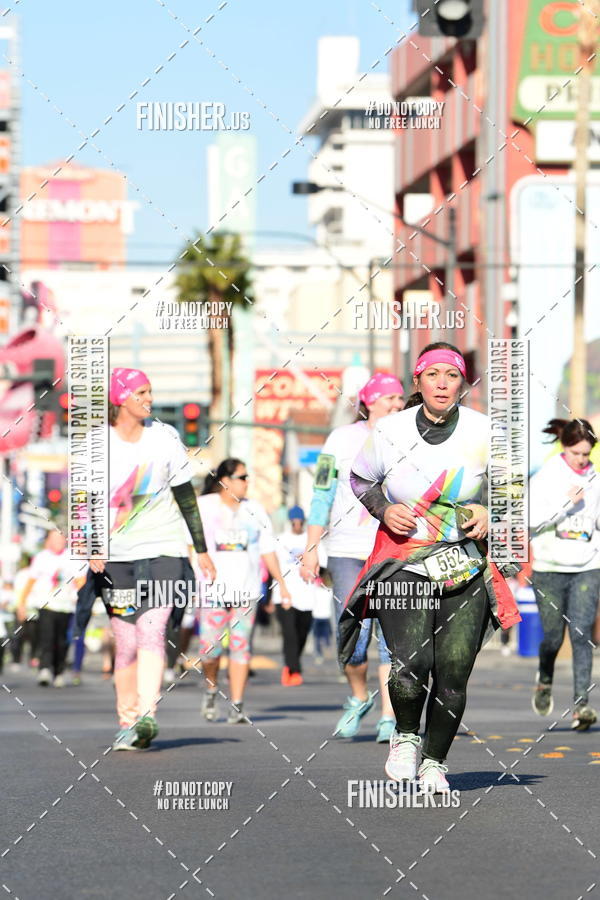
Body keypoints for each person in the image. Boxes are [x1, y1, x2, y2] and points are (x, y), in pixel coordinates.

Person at [341, 343, 520, 791]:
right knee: (412, 660)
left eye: (452, 375)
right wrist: (384, 509)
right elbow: (360, 478)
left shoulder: (486, 431)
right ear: (417, 381)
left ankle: (435, 762)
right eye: (433, 375)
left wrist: (489, 512)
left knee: (454, 671)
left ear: (463, 384)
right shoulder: (390, 431)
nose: (442, 384)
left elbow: (512, 491)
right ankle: (405, 735)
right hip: (404, 560)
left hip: (464, 563)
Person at [89, 367, 216, 751]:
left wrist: (201, 548)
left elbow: (185, 495)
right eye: (140, 392)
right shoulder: (96, 444)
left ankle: (147, 715)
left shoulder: (165, 437)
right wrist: (90, 546)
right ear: (119, 398)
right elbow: (83, 501)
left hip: (164, 550)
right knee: (126, 640)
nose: (149, 399)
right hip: (117, 557)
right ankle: (127, 720)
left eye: (150, 392)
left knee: (151, 629)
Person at [302, 372, 404, 743]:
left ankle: (390, 716)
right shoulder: (340, 439)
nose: (396, 404)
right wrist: (311, 548)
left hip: (393, 549)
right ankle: (359, 697)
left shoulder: (410, 438)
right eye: (388, 398)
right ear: (368, 402)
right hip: (346, 551)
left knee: (392, 640)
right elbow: (321, 493)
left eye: (400, 398)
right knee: (352, 636)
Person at [197, 458, 291, 722]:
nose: (247, 482)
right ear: (225, 481)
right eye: (242, 477)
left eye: (247, 476)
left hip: (246, 591)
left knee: (241, 647)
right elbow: (189, 543)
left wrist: (282, 584)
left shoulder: (255, 510)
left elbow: (268, 550)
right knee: (210, 649)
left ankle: (236, 704)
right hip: (213, 591)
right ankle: (211, 689)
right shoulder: (204, 506)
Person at [529, 418, 600, 731]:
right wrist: (565, 504)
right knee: (553, 637)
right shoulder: (547, 476)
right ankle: (545, 676)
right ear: (564, 447)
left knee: (582, 635)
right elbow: (531, 520)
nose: (582, 460)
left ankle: (581, 706)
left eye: (586, 454)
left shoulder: (596, 478)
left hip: (587, 566)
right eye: (576, 453)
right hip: (549, 568)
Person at [17, 531, 86, 687]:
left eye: (61, 538)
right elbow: (30, 582)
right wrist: (22, 603)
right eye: (55, 538)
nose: (58, 541)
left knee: (61, 640)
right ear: (48, 540)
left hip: (66, 606)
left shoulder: (72, 557)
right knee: (46, 637)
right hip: (46, 604)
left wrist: (81, 599)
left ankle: (58, 671)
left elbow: (80, 581)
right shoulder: (41, 557)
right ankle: (44, 668)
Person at [273, 505, 332, 685]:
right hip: (284, 595)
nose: (297, 525)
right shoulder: (281, 540)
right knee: (289, 634)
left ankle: (291, 665)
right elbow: (272, 566)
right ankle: (293, 670)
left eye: (300, 521)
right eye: (294, 522)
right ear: (290, 522)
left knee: (301, 634)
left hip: (307, 596)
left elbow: (323, 566)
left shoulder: (311, 540)